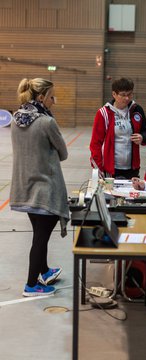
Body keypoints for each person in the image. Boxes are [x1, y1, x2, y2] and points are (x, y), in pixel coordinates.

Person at [10, 78, 69, 297]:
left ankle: (44, 271)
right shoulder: (46, 122)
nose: (54, 100)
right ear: (41, 97)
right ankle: (31, 285)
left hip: (24, 188)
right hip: (45, 189)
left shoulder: (16, 118)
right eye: (52, 96)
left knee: (39, 233)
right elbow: (63, 153)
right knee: (40, 239)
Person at [89, 77, 146, 179]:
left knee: (130, 194)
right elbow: (95, 143)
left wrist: (142, 137)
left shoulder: (137, 110)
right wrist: (98, 167)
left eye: (130, 94)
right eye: (123, 95)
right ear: (114, 94)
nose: (127, 98)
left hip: (132, 169)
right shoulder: (103, 113)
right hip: (111, 169)